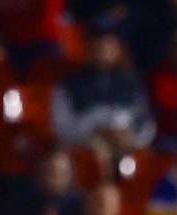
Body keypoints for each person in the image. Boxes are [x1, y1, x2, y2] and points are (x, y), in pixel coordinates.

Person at [53, 19, 156, 155]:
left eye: (109, 43)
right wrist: (95, 131)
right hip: (86, 153)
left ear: (118, 48)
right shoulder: (70, 84)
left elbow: (146, 124)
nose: (103, 48)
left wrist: (130, 137)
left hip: (126, 149)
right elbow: (62, 128)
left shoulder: (132, 83)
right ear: (88, 46)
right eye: (98, 42)